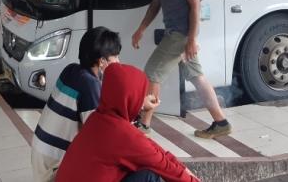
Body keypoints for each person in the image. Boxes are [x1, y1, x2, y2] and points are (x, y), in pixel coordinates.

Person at [132, 0, 232, 139]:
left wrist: (191, 38)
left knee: (151, 73)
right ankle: (220, 121)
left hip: (180, 34)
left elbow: (195, 2)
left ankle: (145, 124)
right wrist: (141, 28)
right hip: (176, 33)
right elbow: (156, 2)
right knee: (197, 77)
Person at [56, 63, 198, 182]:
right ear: (130, 97)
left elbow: (150, 148)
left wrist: (181, 167)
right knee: (149, 177)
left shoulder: (98, 118)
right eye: (140, 95)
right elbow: (161, 164)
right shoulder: (121, 134)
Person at [31, 27, 122, 182]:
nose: (119, 62)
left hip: (40, 153)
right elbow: (98, 135)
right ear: (102, 61)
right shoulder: (90, 84)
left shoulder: (71, 70)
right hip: (53, 164)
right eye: (116, 57)